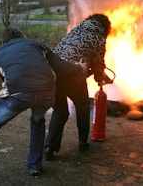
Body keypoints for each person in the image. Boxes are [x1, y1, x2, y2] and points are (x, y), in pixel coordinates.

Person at [0, 27, 86, 184]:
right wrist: (80, 68)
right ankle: (35, 166)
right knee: (38, 120)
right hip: (47, 93)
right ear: (22, 36)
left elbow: (5, 79)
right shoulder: (38, 45)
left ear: (5, 41)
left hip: (19, 94)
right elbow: (62, 66)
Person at [44, 13, 112, 160]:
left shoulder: (76, 30)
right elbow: (98, 63)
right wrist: (100, 79)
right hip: (73, 75)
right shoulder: (98, 37)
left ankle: (49, 147)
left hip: (54, 73)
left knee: (60, 111)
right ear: (105, 27)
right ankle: (82, 142)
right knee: (82, 106)